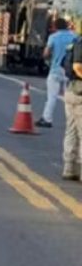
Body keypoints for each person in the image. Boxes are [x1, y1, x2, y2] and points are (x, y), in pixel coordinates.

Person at [37, 18, 78, 128]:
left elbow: (46, 53)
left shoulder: (53, 37)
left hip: (56, 70)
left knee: (52, 97)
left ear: (55, 27)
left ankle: (47, 119)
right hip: (70, 72)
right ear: (67, 26)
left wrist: (47, 56)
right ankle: (73, 121)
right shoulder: (74, 37)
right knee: (70, 98)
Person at [62, 36, 82, 179]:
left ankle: (69, 168)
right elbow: (77, 66)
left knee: (72, 131)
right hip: (80, 92)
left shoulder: (75, 41)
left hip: (71, 90)